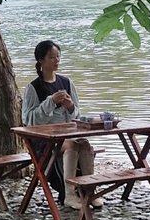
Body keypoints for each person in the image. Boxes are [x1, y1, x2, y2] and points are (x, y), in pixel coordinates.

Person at [21, 40, 103, 210]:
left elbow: (77, 116)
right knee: (72, 145)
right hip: (43, 140)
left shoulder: (66, 83)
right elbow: (29, 120)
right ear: (41, 60)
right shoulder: (33, 88)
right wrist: (50, 102)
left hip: (67, 134)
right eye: (52, 57)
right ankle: (69, 194)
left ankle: (89, 190)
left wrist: (70, 106)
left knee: (85, 144)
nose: (56, 60)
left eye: (58, 56)